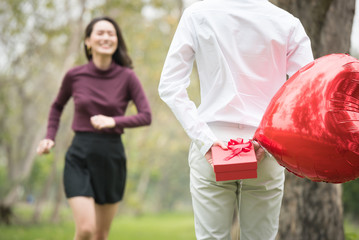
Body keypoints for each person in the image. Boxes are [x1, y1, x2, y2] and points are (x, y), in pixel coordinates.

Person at [158, 0, 313, 239]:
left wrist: (204, 140)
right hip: (265, 144)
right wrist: (269, 138)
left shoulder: (197, 15)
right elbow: (306, 93)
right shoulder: (286, 23)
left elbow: (169, 86)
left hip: (213, 142)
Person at [36, 16, 151, 240]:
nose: (106, 37)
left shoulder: (127, 77)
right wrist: (49, 137)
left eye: (111, 33)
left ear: (117, 40)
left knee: (100, 235)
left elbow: (146, 115)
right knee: (86, 229)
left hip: (111, 158)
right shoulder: (75, 75)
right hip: (79, 154)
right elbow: (57, 106)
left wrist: (114, 121)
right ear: (88, 41)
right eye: (100, 33)